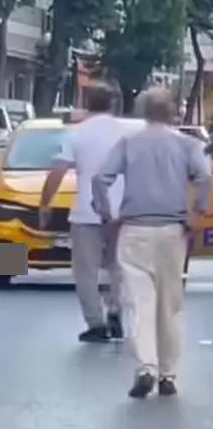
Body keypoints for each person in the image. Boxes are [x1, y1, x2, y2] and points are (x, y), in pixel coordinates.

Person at [92, 87, 210, 399]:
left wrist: (106, 212)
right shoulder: (187, 144)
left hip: (135, 228)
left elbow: (100, 178)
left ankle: (147, 366)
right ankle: (168, 374)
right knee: (170, 304)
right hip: (172, 231)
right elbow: (204, 177)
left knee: (139, 301)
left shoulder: (129, 143)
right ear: (172, 113)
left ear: (143, 112)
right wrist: (197, 212)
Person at [38, 83, 132, 344]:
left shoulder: (76, 134)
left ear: (86, 103)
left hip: (86, 211)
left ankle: (96, 322)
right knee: (117, 266)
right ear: (113, 104)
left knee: (85, 270)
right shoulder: (126, 134)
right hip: (122, 210)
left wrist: (45, 204)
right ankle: (116, 309)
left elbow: (57, 172)